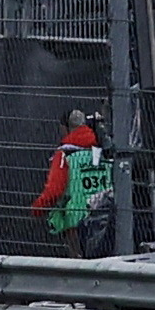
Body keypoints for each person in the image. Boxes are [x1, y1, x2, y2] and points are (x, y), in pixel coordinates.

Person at [32, 110, 117, 257]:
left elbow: (54, 191)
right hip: (108, 219)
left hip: (76, 222)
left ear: (65, 128)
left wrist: (37, 209)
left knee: (79, 265)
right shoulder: (105, 152)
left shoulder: (64, 156)